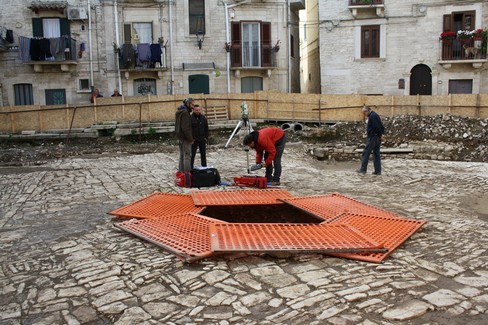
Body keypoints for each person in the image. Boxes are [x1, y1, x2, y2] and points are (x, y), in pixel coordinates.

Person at [357, 105, 385, 175]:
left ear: (367, 111)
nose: (364, 115)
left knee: (366, 153)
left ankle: (363, 170)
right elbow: (381, 126)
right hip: (377, 137)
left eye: (364, 113)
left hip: (373, 137)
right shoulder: (375, 115)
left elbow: (376, 127)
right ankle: (378, 171)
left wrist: (380, 134)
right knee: (376, 154)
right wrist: (381, 134)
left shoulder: (372, 116)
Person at [175, 98, 194, 172]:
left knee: (182, 155)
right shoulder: (185, 113)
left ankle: (181, 172)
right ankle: (187, 174)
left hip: (180, 137)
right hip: (185, 138)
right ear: (188, 104)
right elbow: (185, 128)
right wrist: (190, 139)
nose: (193, 106)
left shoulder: (179, 111)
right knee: (187, 156)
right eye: (192, 104)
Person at [191, 104, 209, 169]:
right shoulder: (190, 118)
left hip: (202, 139)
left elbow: (206, 128)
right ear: (193, 110)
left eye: (199, 110)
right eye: (196, 110)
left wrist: (206, 137)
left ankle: (204, 167)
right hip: (194, 140)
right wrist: (191, 138)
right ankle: (191, 168)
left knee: (203, 154)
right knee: (192, 155)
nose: (198, 111)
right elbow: (189, 129)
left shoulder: (203, 118)